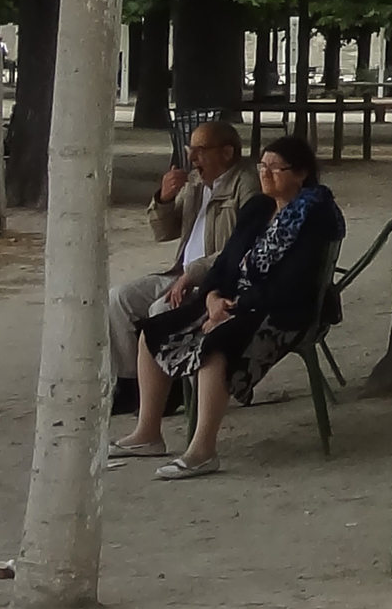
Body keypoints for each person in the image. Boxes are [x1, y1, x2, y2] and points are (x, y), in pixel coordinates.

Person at [108, 130, 344, 476]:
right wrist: (214, 295)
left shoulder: (313, 217)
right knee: (154, 328)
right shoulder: (259, 208)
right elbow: (226, 261)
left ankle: (202, 450)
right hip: (235, 298)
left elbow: (292, 284)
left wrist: (231, 307)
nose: (265, 173)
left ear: (301, 173)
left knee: (215, 345)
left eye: (275, 169)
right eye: (262, 165)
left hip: (281, 309)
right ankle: (148, 432)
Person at [107, 118, 255, 409]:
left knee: (161, 310)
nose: (192, 157)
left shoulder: (246, 185)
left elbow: (241, 248)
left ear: (227, 152)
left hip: (216, 281)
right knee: (118, 299)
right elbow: (164, 231)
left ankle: (169, 389)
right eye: (191, 149)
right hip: (178, 273)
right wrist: (163, 199)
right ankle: (131, 384)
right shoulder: (197, 183)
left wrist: (194, 273)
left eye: (201, 149)